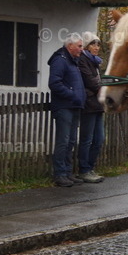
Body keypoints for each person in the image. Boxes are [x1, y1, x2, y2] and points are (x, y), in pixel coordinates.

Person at [48, 34, 86, 187]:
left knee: (71, 141)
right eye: (79, 46)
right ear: (70, 46)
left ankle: (68, 172)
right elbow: (54, 83)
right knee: (63, 141)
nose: (81, 50)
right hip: (64, 106)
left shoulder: (73, 62)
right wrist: (72, 95)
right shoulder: (60, 60)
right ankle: (60, 174)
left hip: (74, 105)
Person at [76, 32, 106, 183]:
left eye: (98, 44)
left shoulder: (95, 62)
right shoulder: (83, 60)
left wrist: (99, 86)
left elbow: (97, 82)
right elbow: (90, 81)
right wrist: (100, 86)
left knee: (99, 139)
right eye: (94, 44)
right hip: (88, 105)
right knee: (87, 139)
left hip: (98, 104)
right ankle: (84, 170)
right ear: (87, 47)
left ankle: (90, 167)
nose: (97, 47)